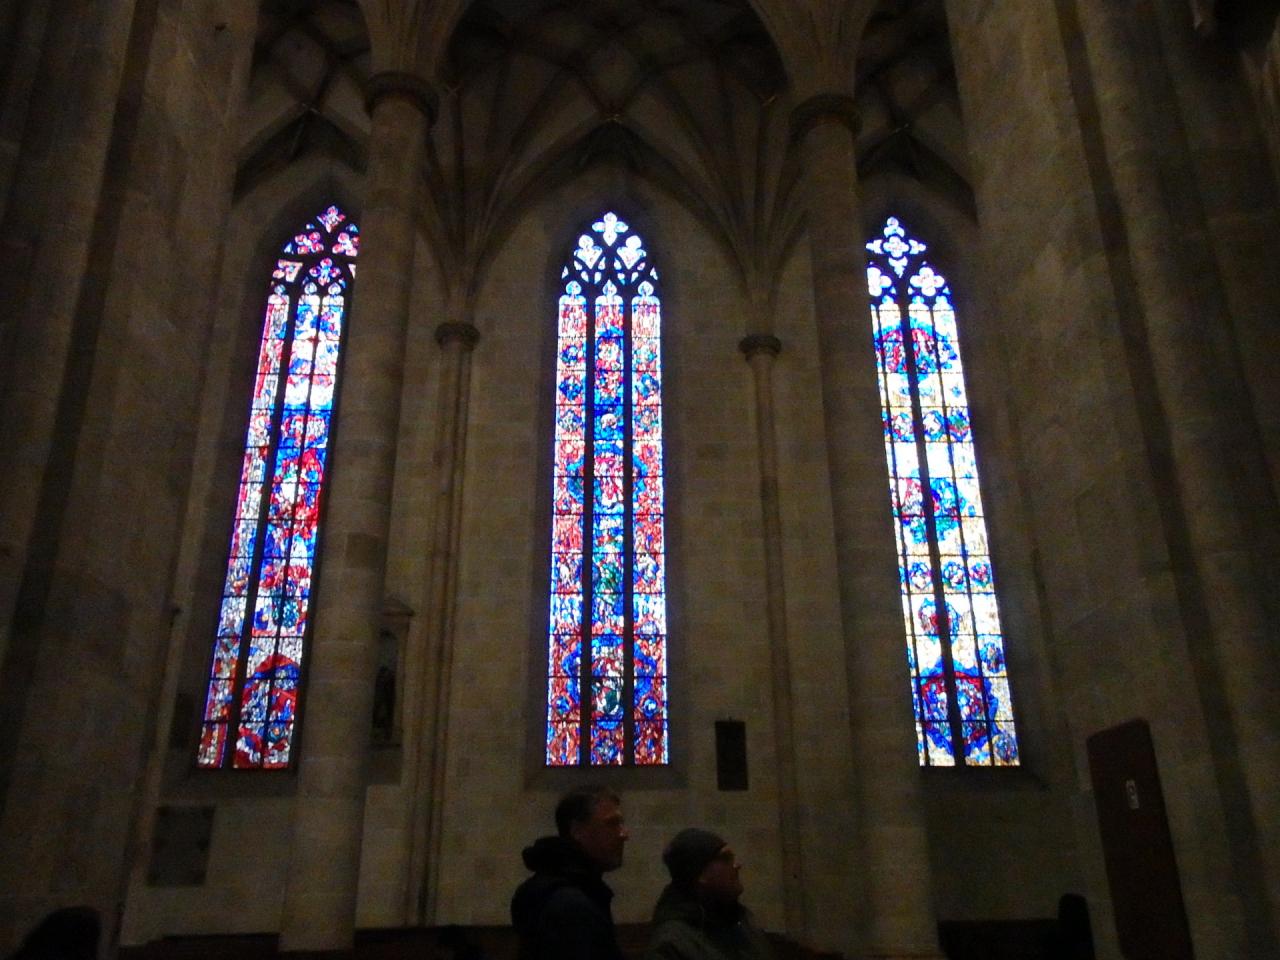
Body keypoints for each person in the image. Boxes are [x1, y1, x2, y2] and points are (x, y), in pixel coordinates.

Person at [511, 784, 629, 960]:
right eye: (611, 824)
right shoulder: (570, 908)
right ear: (577, 831)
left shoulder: (573, 892)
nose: (624, 834)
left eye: (621, 823)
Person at [645, 828, 773, 960]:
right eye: (726, 859)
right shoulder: (671, 944)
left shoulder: (744, 921)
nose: (736, 865)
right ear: (699, 873)